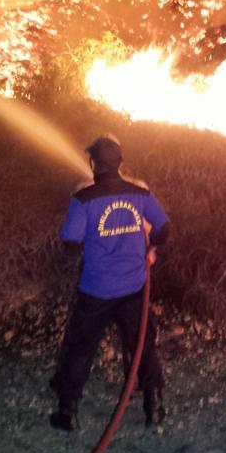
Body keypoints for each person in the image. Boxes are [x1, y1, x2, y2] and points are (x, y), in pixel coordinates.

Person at [50, 135, 171, 432]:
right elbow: (164, 228)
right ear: (120, 163)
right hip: (134, 287)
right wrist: (151, 247)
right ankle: (154, 409)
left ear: (93, 164)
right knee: (142, 345)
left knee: (81, 347)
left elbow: (69, 243)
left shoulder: (83, 199)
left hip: (96, 289)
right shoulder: (139, 193)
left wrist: (91, 245)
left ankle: (68, 412)